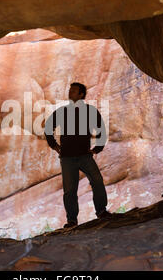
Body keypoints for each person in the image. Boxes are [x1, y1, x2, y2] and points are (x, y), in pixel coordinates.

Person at [44, 82, 112, 229]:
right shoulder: (62, 111)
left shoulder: (90, 111)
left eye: (74, 91)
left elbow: (101, 130)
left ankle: (101, 211)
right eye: (70, 90)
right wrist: (55, 146)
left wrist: (96, 149)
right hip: (67, 157)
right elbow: (48, 128)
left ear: (81, 95)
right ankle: (72, 221)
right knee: (69, 191)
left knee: (97, 181)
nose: (70, 93)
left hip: (85, 156)